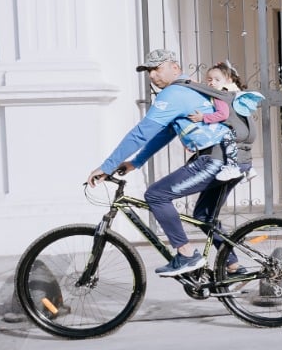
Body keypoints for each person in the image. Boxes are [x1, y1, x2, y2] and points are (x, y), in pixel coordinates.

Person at [85, 49, 239, 277]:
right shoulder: (187, 89)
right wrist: (135, 162)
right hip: (227, 158)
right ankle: (234, 267)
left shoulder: (174, 93)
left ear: (174, 67)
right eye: (148, 70)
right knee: (204, 216)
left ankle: (187, 255)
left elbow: (140, 133)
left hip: (214, 159)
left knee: (156, 195)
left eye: (156, 68)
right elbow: (164, 133)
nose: (151, 75)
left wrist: (107, 167)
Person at [188, 63, 247, 182]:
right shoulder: (232, 91)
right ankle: (246, 169)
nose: (212, 83)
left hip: (232, 129)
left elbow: (222, 114)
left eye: (217, 80)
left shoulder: (219, 96)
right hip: (243, 128)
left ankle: (232, 167)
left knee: (226, 140)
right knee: (237, 147)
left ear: (228, 80)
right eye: (209, 79)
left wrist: (203, 117)